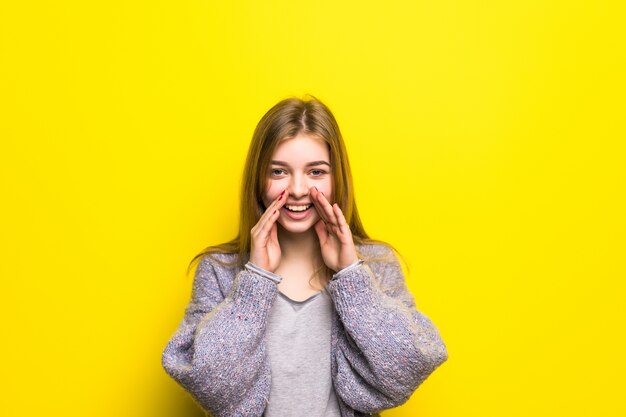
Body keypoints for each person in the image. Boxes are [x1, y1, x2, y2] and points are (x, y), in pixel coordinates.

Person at [161, 95, 448, 417]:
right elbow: (211, 385)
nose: (298, 190)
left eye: (316, 172)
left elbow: (405, 371)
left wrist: (351, 274)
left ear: (337, 177)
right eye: (279, 172)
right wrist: (256, 279)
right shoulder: (221, 271)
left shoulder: (375, 265)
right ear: (258, 179)